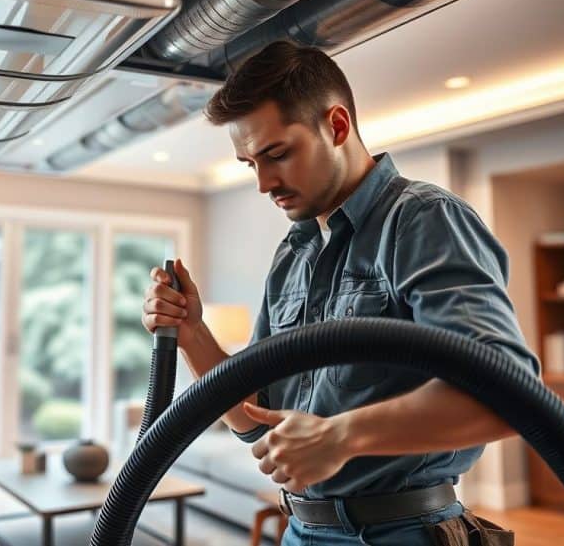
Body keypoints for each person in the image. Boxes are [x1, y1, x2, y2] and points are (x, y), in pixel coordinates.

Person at [142, 41, 538, 546]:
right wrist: (193, 333)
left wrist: (340, 436)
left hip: (401, 533)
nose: (264, 183)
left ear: (337, 126)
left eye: (277, 154)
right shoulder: (295, 253)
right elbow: (255, 419)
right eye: (250, 164)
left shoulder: (421, 220)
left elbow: (510, 392)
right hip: (301, 531)